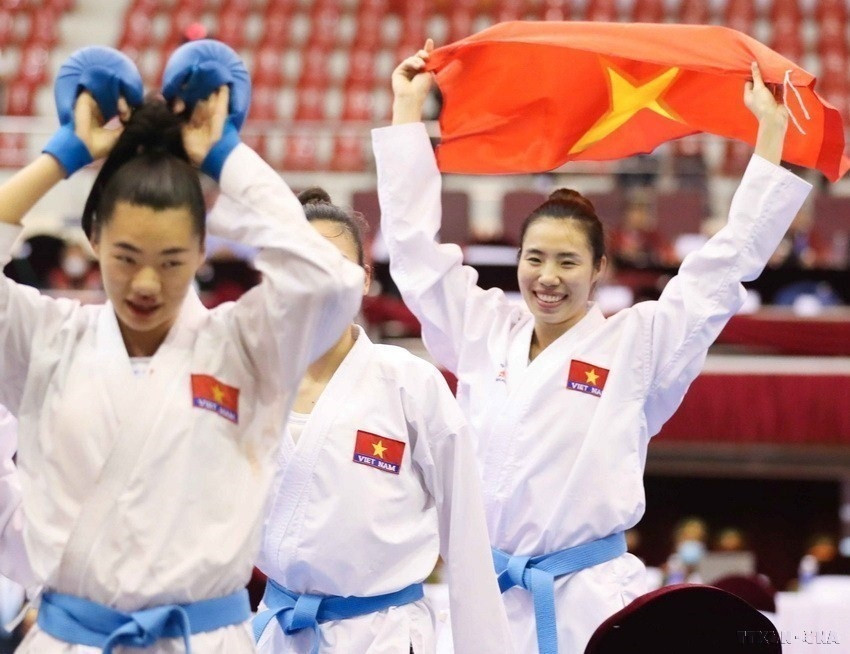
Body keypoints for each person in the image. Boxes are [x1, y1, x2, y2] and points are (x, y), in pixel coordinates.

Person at [374, 41, 812, 654]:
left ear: (599, 268)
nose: (546, 277)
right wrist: (406, 114)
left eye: (566, 261)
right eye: (534, 259)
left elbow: (721, 270)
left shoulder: (636, 344)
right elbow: (416, 256)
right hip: (484, 603)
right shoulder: (482, 329)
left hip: (589, 603)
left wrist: (769, 137)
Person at [0, 64, 363, 652]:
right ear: (93, 240)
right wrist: (63, 154)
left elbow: (329, 282)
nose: (146, 283)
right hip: (72, 640)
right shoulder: (45, 339)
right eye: (125, 257)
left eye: (171, 261)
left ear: (202, 252)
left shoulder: (244, 345)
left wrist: (226, 156)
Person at [252, 189, 513, 654]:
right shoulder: (250, 382)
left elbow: (467, 536)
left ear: (366, 278)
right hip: (277, 633)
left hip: (383, 636)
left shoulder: (410, 383)